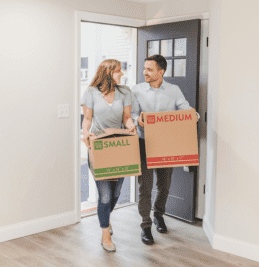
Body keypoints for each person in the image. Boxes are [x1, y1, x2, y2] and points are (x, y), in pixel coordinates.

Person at [131, 54, 199, 245]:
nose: (145, 72)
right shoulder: (136, 90)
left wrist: (194, 116)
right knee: (144, 186)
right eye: (144, 68)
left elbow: (185, 109)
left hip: (166, 144)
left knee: (164, 184)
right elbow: (132, 113)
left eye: (150, 69)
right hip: (143, 143)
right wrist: (138, 119)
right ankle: (145, 225)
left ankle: (158, 214)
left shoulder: (173, 90)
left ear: (161, 72)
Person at [80, 59, 136, 252]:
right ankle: (105, 235)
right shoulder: (91, 92)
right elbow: (87, 120)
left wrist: (131, 126)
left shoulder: (125, 92)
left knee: (116, 193)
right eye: (118, 71)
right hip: (99, 147)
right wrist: (85, 132)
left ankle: (106, 218)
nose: (121, 74)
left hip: (119, 146)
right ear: (108, 72)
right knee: (104, 196)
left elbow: (127, 118)